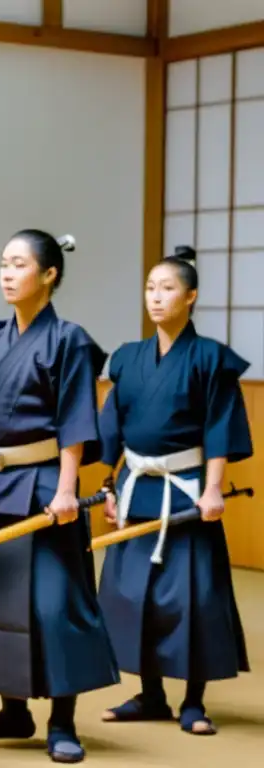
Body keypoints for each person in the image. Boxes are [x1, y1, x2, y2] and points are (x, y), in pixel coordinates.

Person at [0, 230, 120, 764]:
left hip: (43, 488)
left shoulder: (70, 341)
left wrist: (67, 490)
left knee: (54, 606)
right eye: (2, 264)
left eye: (18, 265)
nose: (7, 274)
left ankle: (62, 721)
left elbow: (74, 423)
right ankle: (12, 709)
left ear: (49, 274)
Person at [96, 246, 253, 736]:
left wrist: (213, 490)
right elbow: (112, 429)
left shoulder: (210, 359)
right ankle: (150, 695)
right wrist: (108, 485)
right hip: (137, 488)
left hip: (186, 493)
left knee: (192, 600)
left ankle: (193, 701)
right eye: (150, 288)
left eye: (167, 288)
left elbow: (220, 429)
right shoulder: (128, 358)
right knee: (133, 596)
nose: (156, 297)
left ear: (191, 297)